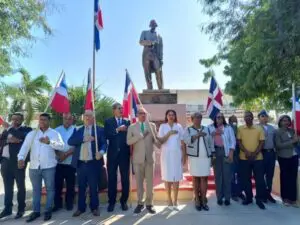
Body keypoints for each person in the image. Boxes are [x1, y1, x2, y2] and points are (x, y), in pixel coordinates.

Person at [17, 113, 64, 222]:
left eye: (44, 120)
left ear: (49, 121)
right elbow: (25, 147)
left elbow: (62, 146)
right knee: (36, 190)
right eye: (40, 119)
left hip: (49, 166)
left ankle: (48, 210)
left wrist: (49, 142)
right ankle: (36, 211)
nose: (42, 121)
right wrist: (20, 158)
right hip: (34, 166)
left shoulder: (54, 133)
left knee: (50, 189)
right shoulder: (32, 134)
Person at [69, 110, 106, 217]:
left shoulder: (99, 130)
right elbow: (70, 141)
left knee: (93, 187)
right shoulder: (78, 130)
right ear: (83, 118)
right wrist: (83, 139)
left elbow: (104, 144)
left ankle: (94, 207)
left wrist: (102, 152)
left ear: (93, 118)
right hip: (81, 164)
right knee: (81, 187)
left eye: (90, 116)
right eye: (85, 116)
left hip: (93, 163)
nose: (87, 117)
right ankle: (81, 208)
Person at [0, 113, 32, 219]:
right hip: (5, 162)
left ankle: (21, 209)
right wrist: (9, 140)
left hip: (19, 162)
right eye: (13, 119)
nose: (14, 121)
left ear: (22, 120)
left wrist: (11, 130)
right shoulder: (6, 130)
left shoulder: (27, 130)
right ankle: (8, 209)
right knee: (8, 187)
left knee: (20, 187)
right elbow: (1, 141)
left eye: (17, 119)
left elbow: (21, 137)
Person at [127, 108, 157, 214]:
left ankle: (149, 204)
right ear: (137, 115)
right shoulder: (132, 127)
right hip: (137, 159)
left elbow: (156, 140)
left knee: (150, 183)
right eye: (140, 113)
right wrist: (140, 136)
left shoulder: (152, 125)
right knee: (139, 183)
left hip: (149, 159)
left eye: (144, 113)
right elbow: (128, 141)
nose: (143, 115)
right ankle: (140, 203)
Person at [183, 112, 213, 211]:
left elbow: (210, 142)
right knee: (195, 178)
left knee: (204, 178)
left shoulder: (207, 128)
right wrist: (197, 135)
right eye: (196, 117)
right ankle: (197, 200)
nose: (198, 119)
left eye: (200, 117)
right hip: (194, 158)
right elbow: (186, 140)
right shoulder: (188, 129)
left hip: (205, 157)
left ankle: (204, 199)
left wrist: (212, 154)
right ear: (192, 119)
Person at [104, 103, 130, 212]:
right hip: (112, 154)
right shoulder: (108, 122)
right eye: (119, 108)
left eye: (122, 108)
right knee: (112, 178)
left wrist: (127, 129)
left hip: (124, 154)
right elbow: (107, 135)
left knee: (125, 178)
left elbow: (130, 136)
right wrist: (118, 129)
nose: (121, 110)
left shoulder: (127, 122)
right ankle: (112, 201)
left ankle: (124, 201)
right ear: (113, 110)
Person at [237, 111, 266, 210]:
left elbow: (262, 142)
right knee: (246, 179)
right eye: (246, 117)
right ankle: (249, 198)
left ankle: (259, 199)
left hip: (258, 158)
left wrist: (254, 153)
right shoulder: (240, 129)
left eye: (249, 116)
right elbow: (239, 142)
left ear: (253, 118)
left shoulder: (259, 128)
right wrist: (247, 152)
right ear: (244, 118)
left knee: (260, 180)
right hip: (244, 158)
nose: (248, 118)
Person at [157, 109, 185, 210]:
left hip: (177, 154)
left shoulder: (179, 126)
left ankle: (175, 200)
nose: (171, 116)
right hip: (166, 155)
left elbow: (182, 142)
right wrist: (169, 133)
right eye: (169, 115)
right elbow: (160, 140)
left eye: (173, 115)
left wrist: (184, 156)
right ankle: (169, 200)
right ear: (166, 116)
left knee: (176, 178)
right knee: (167, 177)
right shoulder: (162, 126)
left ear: (175, 116)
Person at [209, 112, 235, 206]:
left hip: (226, 152)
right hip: (215, 152)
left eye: (220, 117)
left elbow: (233, 141)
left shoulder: (228, 128)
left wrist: (231, 154)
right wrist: (213, 133)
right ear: (215, 119)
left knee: (227, 176)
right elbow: (207, 140)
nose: (219, 119)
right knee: (218, 177)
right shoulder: (210, 127)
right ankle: (219, 198)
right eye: (217, 117)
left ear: (223, 118)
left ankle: (227, 198)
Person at [53, 113, 76, 212]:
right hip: (59, 163)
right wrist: (59, 155)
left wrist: (65, 154)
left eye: (69, 119)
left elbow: (76, 146)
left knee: (70, 185)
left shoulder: (76, 129)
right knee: (57, 184)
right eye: (66, 118)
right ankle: (57, 204)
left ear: (72, 120)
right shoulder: (56, 130)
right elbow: (53, 144)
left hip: (71, 162)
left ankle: (69, 203)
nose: (67, 120)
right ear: (63, 119)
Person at [274, 115, 299, 207]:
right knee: (285, 178)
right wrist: (292, 141)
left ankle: (293, 199)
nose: (286, 122)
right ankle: (285, 198)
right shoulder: (277, 132)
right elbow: (278, 145)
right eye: (284, 120)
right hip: (284, 157)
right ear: (280, 122)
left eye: (288, 120)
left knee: (293, 178)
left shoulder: (292, 131)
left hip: (294, 156)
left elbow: (296, 143)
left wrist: (297, 140)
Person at [257, 110, 276, 203]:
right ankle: (261, 194)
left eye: (266, 116)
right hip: (261, 153)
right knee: (260, 175)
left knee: (270, 175)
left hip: (271, 153)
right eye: (262, 116)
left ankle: (268, 194)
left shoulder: (272, 128)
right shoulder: (256, 128)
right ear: (259, 118)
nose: (264, 118)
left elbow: (275, 141)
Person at [139, 19, 164, 90]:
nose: (154, 26)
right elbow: (141, 42)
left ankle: (161, 89)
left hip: (155, 54)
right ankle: (150, 90)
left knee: (158, 70)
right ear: (150, 25)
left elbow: (161, 47)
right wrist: (151, 42)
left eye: (155, 25)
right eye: (152, 25)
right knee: (147, 73)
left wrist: (161, 58)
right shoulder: (144, 32)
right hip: (146, 52)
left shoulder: (159, 36)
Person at [228, 115, 245, 202]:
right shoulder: (227, 130)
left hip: (240, 156)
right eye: (232, 121)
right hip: (232, 156)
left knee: (240, 175)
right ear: (229, 122)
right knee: (232, 176)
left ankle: (240, 192)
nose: (234, 122)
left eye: (236, 120)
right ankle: (233, 193)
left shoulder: (240, 129)